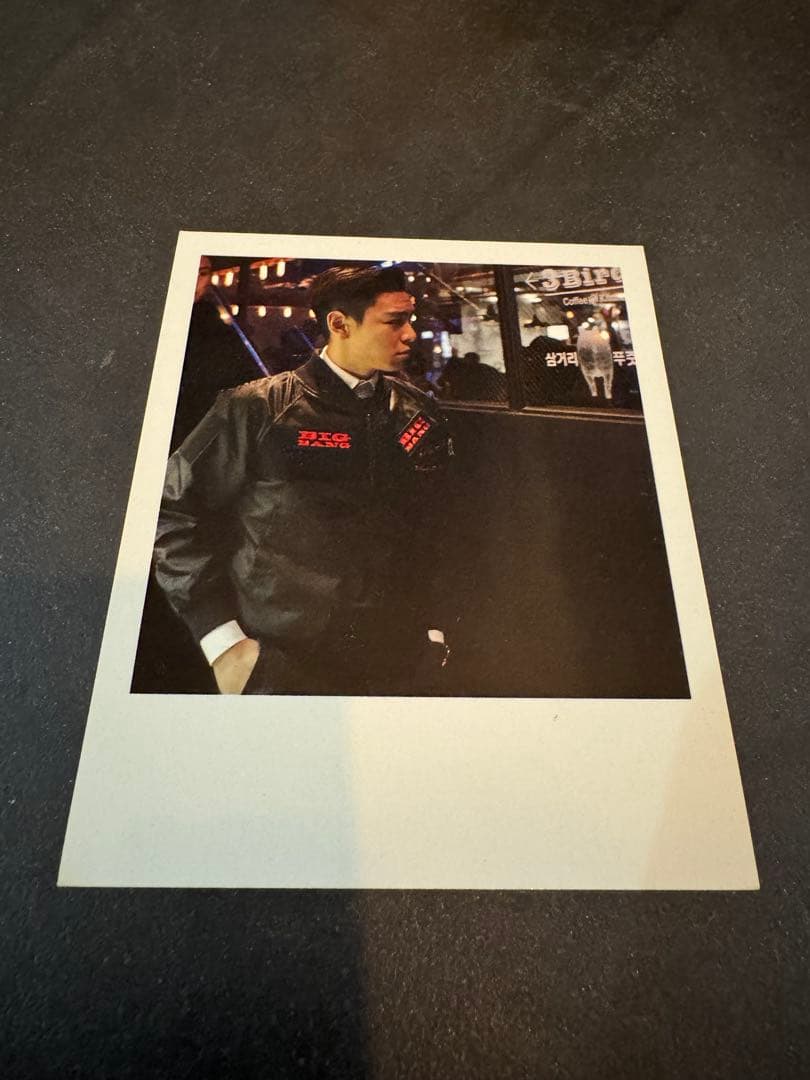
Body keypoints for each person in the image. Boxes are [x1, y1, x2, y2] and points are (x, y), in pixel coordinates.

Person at [153, 265, 454, 695]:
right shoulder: (257, 408)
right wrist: (221, 641)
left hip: (397, 655)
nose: (410, 334)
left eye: (410, 319)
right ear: (340, 324)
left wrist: (434, 627)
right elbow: (170, 509)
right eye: (394, 321)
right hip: (284, 659)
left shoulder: (417, 412)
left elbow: (437, 527)